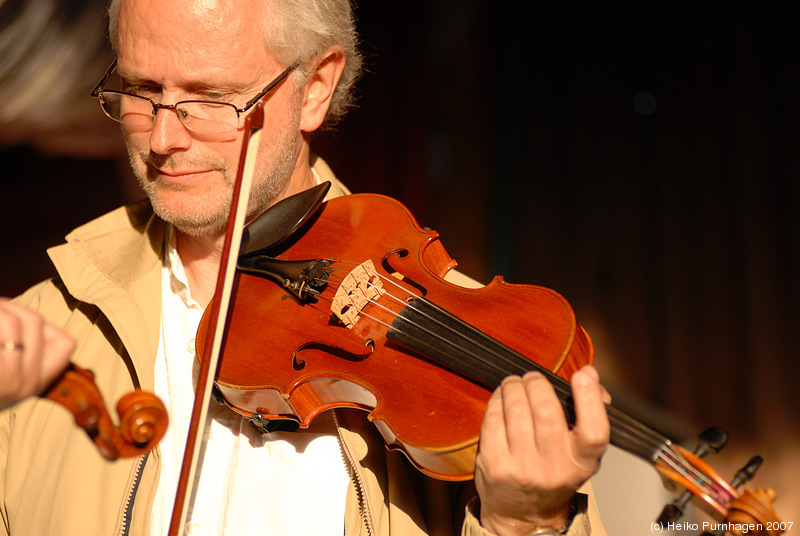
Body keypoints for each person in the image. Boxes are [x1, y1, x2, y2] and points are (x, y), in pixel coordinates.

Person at [0, 1, 611, 535]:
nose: (162, 138)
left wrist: (524, 523)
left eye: (210, 99)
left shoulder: (464, 354)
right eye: (141, 91)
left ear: (315, 88)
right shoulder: (40, 334)